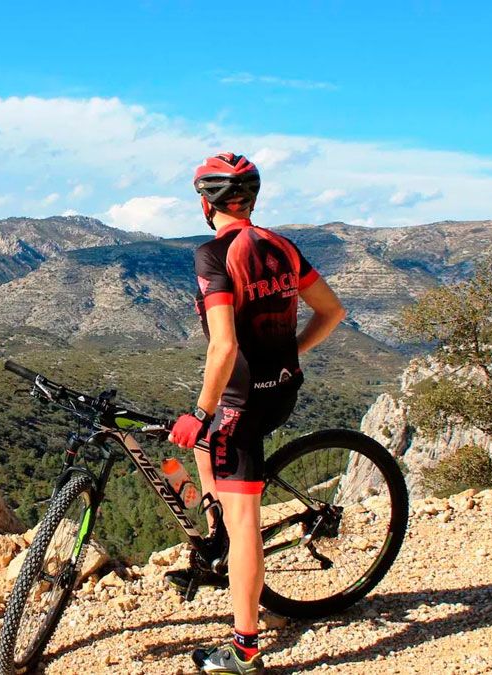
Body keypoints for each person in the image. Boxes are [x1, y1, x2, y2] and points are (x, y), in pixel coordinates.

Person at [167, 152, 346, 674]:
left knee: (244, 519)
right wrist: (290, 354)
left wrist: (200, 411)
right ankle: (217, 539)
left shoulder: (213, 255)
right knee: (206, 454)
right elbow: (332, 311)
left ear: (206, 203)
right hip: (282, 388)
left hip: (241, 404)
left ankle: (244, 649)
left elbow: (222, 348)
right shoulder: (281, 246)